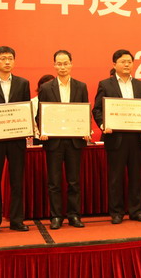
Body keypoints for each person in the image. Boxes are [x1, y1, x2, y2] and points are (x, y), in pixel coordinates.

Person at [92, 49, 141, 224]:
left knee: (136, 177)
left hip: (136, 138)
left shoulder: (140, 85)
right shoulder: (105, 84)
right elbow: (97, 109)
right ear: (114, 64)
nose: (127, 64)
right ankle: (116, 212)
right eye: (123, 61)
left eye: (129, 62)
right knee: (116, 177)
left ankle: (136, 211)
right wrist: (103, 124)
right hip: (115, 138)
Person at [0, 46, 33, 235]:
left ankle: (17, 220)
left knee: (17, 181)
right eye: (3, 58)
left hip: (16, 138)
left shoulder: (23, 83)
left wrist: (28, 127)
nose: (7, 61)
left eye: (10, 58)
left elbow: (26, 108)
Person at [37, 50, 91, 230]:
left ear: (71, 64)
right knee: (54, 182)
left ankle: (74, 215)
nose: (62, 67)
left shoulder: (81, 86)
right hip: (54, 141)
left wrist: (86, 129)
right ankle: (56, 216)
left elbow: (85, 111)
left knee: (74, 181)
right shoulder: (46, 88)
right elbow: (40, 113)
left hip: (74, 140)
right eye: (59, 64)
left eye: (65, 63)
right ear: (54, 65)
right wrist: (43, 130)